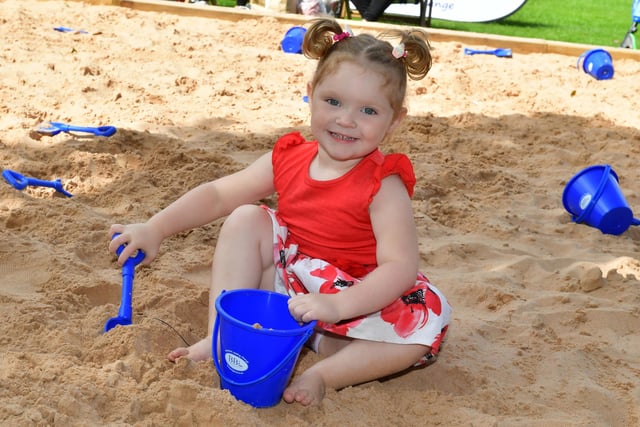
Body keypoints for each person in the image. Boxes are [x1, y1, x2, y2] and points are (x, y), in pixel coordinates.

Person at [109, 18, 451, 406]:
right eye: (333, 101)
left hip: (357, 299)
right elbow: (219, 194)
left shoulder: (383, 184)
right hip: (289, 292)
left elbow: (399, 267)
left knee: (425, 321)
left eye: (368, 110)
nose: (345, 119)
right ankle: (223, 336)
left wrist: (338, 306)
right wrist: (156, 228)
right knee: (246, 217)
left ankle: (323, 374)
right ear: (310, 94)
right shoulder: (289, 157)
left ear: (394, 121)